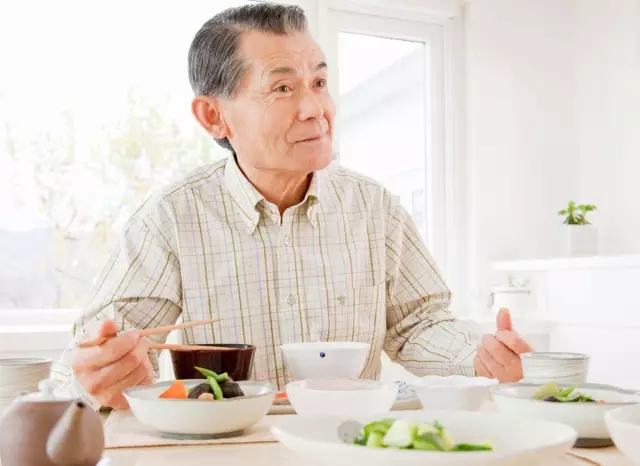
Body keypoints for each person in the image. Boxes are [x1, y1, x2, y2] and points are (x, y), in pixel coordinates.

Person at [50, 3, 533, 411]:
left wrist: (478, 354)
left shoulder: (374, 207)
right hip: (228, 448)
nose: (314, 109)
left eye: (319, 83)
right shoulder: (171, 220)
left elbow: (416, 324)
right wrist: (99, 373)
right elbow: (88, 358)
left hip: (349, 444)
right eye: (283, 88)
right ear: (213, 115)